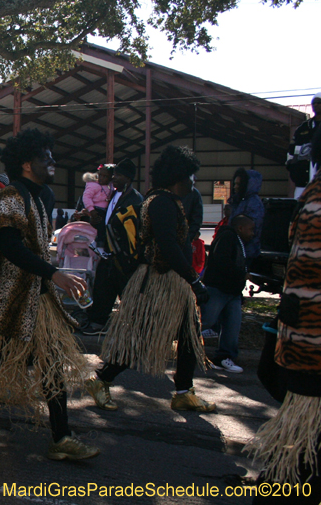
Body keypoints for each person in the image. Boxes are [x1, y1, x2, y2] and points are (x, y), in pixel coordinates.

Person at [0, 128, 99, 461]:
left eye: (51, 154)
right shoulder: (12, 196)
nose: (53, 161)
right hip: (5, 297)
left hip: (35, 297)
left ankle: (61, 438)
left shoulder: (39, 195)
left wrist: (50, 277)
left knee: (51, 362)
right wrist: (54, 273)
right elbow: (7, 245)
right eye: (45, 156)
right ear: (26, 162)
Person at [85, 145, 215, 413]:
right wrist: (194, 280)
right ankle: (101, 380)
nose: (194, 181)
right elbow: (168, 247)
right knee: (141, 338)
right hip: (157, 282)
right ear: (179, 176)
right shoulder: (162, 203)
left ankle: (183, 391)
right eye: (191, 176)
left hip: (171, 282)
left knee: (189, 335)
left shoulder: (165, 201)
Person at [246, 129, 321, 504]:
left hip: (304, 351)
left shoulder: (311, 196)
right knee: (298, 462)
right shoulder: (315, 199)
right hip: (312, 355)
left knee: (298, 457)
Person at [81, 158, 143, 336]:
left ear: (129, 178)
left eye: (120, 175)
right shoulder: (113, 194)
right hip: (108, 254)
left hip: (125, 258)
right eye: (115, 174)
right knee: (102, 289)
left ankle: (133, 329)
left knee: (127, 292)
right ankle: (98, 322)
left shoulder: (135, 200)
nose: (114, 178)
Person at [199, 214, 255, 373]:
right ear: (240, 228)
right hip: (218, 289)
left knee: (232, 325)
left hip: (232, 292)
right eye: (250, 229)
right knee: (206, 321)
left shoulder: (237, 241)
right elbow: (222, 262)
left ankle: (224, 357)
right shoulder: (228, 238)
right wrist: (241, 275)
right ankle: (181, 343)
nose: (252, 233)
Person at [286, 92, 321, 198]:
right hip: (302, 183)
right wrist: (293, 168)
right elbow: (291, 152)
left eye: (318, 102)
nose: (315, 105)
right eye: (313, 103)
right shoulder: (303, 128)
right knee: (300, 211)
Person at [228, 167, 264, 262]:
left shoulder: (253, 204)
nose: (235, 187)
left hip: (248, 253)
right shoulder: (241, 202)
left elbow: (250, 231)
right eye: (234, 184)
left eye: (238, 184)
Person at [81, 164, 114, 228]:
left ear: (110, 178)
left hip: (105, 211)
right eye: (100, 175)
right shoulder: (93, 185)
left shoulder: (110, 186)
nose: (101, 178)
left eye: (105, 176)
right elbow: (86, 197)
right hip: (96, 210)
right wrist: (91, 210)